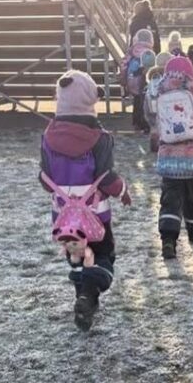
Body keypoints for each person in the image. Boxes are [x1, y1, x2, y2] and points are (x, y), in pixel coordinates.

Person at [39, 70, 131, 331]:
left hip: (64, 218)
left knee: (77, 255)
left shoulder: (48, 137)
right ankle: (89, 295)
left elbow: (45, 181)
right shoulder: (100, 139)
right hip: (96, 216)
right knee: (103, 254)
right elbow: (106, 178)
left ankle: (83, 295)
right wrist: (123, 190)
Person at [155, 53, 193, 259]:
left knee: (170, 199)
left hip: (169, 156)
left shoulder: (159, 95)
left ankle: (168, 239)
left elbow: (153, 120)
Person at [122, 27, 155, 132]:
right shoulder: (148, 52)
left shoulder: (132, 50)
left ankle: (135, 121)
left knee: (136, 100)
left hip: (131, 79)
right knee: (143, 101)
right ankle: (144, 123)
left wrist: (124, 80)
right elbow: (150, 67)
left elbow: (124, 65)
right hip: (142, 80)